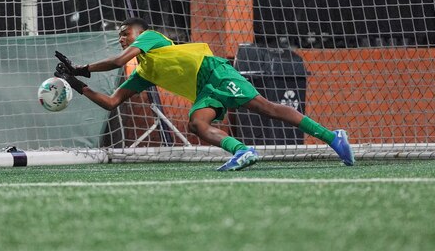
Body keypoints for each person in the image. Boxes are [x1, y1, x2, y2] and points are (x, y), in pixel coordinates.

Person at [54, 17, 355, 171]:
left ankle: (333, 137)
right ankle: (242, 151)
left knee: (266, 108)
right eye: (119, 35)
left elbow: (119, 62)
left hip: (213, 71)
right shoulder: (144, 71)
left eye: (125, 33)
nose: (121, 38)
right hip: (203, 89)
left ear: (139, 33)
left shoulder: (150, 37)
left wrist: (80, 68)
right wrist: (76, 84)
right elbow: (111, 101)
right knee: (196, 124)